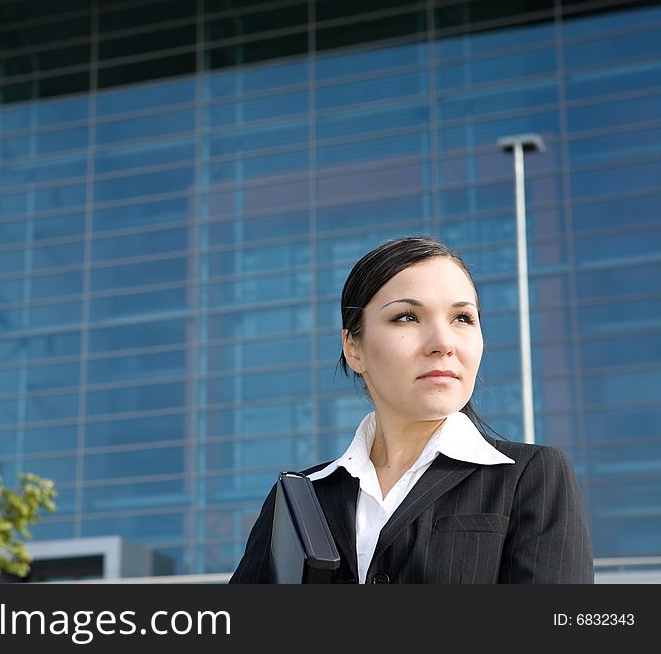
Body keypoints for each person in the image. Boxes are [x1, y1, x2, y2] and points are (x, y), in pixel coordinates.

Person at [229, 235, 593, 584]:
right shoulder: (298, 499)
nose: (443, 343)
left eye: (462, 318)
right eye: (406, 317)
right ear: (353, 348)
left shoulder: (532, 478)